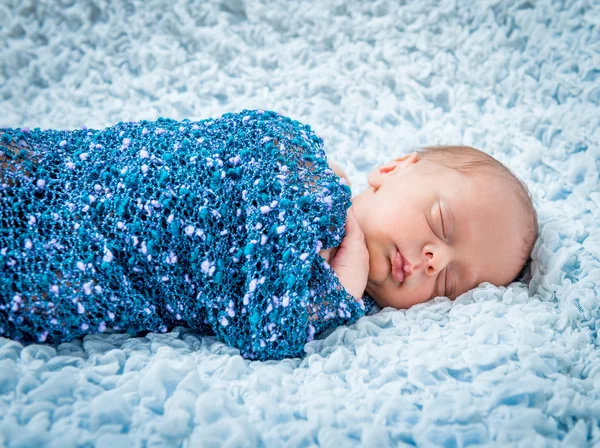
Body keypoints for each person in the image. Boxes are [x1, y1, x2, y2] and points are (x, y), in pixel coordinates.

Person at [0, 110, 537, 360]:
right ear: (394, 168)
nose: (429, 259)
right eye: (441, 225)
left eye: (448, 282)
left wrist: (342, 284)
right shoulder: (298, 159)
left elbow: (269, 329)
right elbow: (238, 141)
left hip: (92, 258)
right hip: (91, 171)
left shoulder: (330, 291)